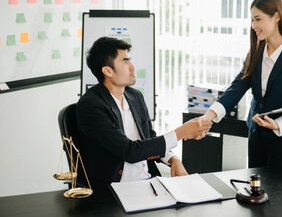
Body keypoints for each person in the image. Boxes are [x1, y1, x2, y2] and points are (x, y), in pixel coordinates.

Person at [200, 0, 282, 178]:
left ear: (277, 16)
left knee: (278, 199)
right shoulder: (256, 52)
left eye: (258, 19)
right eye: (252, 20)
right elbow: (237, 87)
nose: (254, 25)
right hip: (256, 135)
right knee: (256, 192)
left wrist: (279, 124)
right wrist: (209, 115)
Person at [77, 36, 212, 190]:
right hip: (116, 189)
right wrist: (180, 133)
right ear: (107, 71)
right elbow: (130, 151)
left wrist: (172, 159)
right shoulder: (91, 105)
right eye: (125, 61)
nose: (132, 66)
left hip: (148, 182)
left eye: (129, 60)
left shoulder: (134, 96)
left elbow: (149, 138)